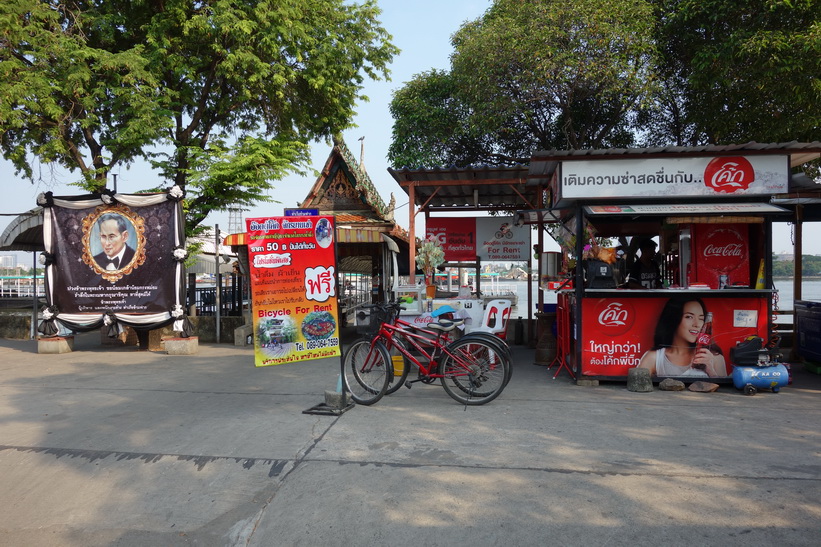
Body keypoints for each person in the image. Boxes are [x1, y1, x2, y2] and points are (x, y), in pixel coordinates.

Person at [637, 296, 727, 378]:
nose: (697, 324)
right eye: (689, 317)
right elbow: (637, 387)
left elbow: (724, 393)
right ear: (673, 319)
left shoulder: (714, 358)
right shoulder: (655, 357)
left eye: (701, 319)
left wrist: (711, 371)